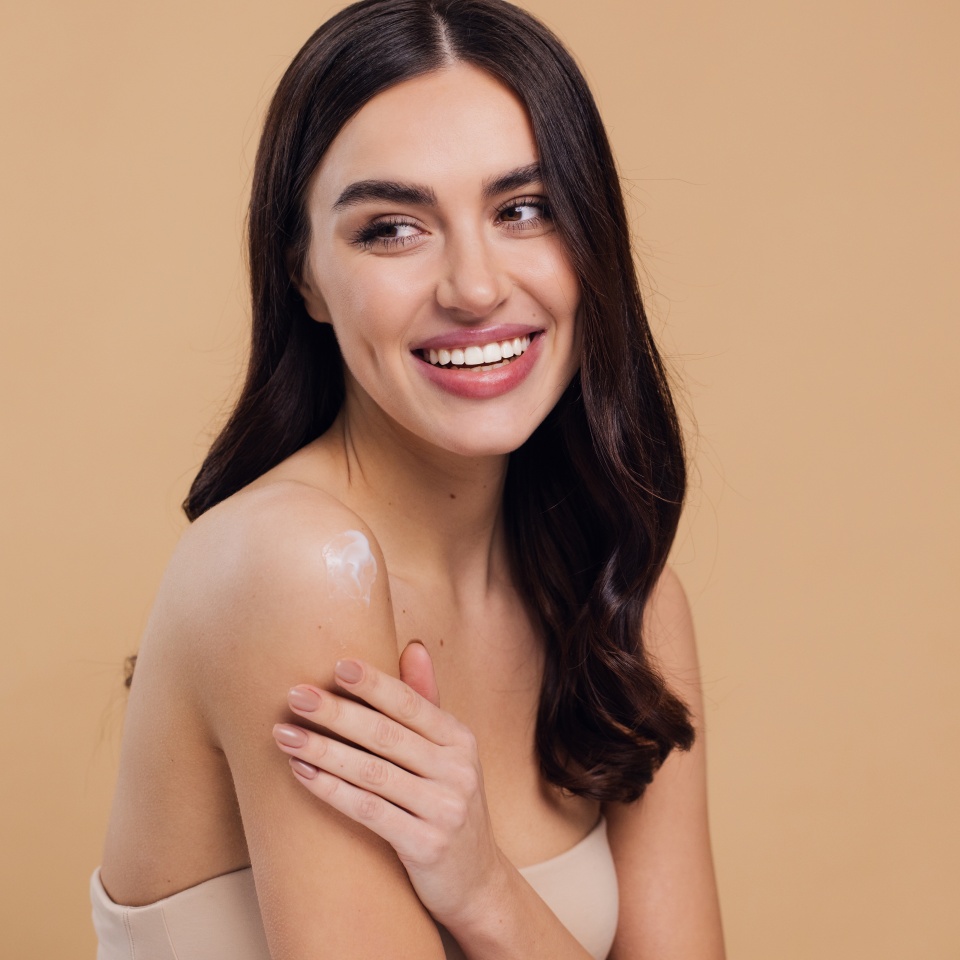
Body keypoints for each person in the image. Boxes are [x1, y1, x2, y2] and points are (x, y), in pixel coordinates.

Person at [92, 0, 725, 957]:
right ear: (302, 273)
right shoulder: (291, 568)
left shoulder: (621, 602)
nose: (474, 287)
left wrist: (485, 890)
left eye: (524, 210)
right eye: (392, 228)